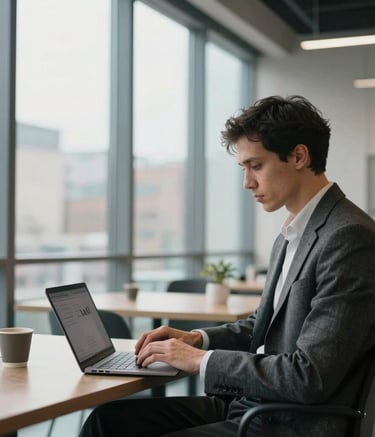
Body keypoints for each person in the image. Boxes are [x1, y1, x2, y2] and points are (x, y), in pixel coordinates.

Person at [79, 95, 375, 437]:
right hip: (253, 405)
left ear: (298, 156)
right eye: (243, 168)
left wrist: (198, 361)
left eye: (256, 166)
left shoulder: (349, 237)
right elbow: (261, 329)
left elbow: (310, 376)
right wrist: (196, 339)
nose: (247, 182)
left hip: (287, 422)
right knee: (108, 421)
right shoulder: (293, 232)